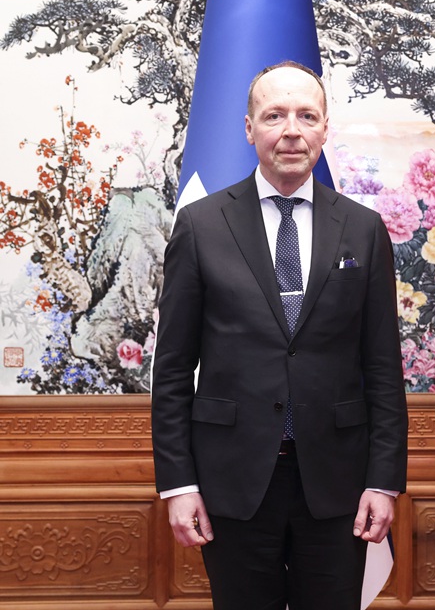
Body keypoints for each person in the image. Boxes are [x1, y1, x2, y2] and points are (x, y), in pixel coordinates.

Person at [151, 61, 408, 610]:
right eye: (274, 116)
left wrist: (383, 481)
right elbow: (172, 369)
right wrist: (179, 484)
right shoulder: (201, 225)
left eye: (306, 116)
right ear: (249, 129)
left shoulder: (363, 228)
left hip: (337, 483)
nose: (291, 130)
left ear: (324, 128)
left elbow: (383, 368)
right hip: (232, 479)